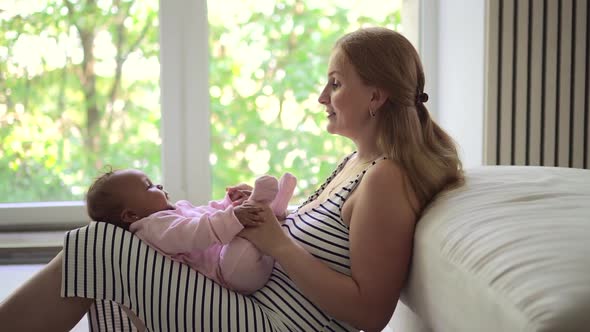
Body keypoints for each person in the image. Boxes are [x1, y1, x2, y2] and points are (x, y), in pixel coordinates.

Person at [0, 27, 463, 332]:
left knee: (101, 246)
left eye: (337, 83)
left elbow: (371, 312)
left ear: (376, 96)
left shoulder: (386, 179)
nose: (323, 96)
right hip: (254, 305)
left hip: (276, 323)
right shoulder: (357, 164)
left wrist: (279, 243)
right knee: (119, 253)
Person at [84, 168, 297, 295]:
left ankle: (272, 210)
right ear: (130, 216)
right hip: (229, 273)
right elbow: (193, 232)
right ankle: (267, 207)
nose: (158, 186)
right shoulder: (152, 228)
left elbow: (207, 214)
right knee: (240, 241)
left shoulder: (177, 210)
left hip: (244, 258)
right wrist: (234, 216)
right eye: (149, 186)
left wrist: (228, 203)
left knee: (244, 226)